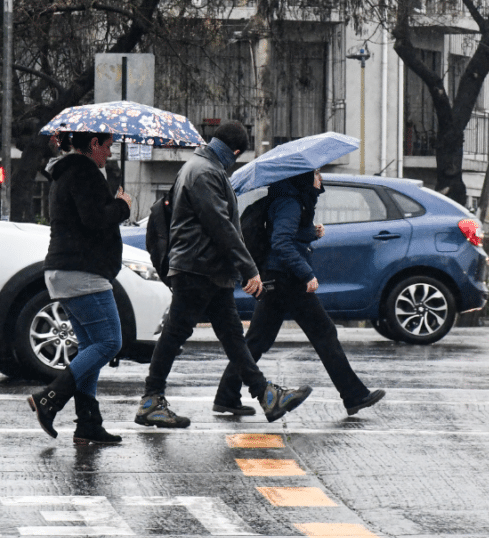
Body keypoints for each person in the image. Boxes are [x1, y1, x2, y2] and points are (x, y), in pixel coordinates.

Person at [136, 121, 312, 427]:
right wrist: (249, 269)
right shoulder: (205, 172)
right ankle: (151, 399)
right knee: (176, 334)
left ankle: (265, 394)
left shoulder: (203, 167)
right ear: (235, 151)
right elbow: (220, 225)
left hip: (208, 269)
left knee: (232, 337)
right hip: (197, 268)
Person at [213, 169, 385, 416]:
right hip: (287, 280)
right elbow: (281, 242)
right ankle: (354, 395)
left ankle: (226, 396)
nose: (320, 178)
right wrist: (306, 274)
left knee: (257, 340)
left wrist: (310, 232)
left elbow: (284, 234)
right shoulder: (291, 202)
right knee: (324, 333)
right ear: (303, 178)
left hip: (278, 278)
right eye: (316, 174)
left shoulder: (292, 200)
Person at [27, 131, 131, 445]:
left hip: (65, 269)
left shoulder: (64, 172)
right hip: (83, 270)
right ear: (94, 144)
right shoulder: (83, 172)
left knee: (90, 347)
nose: (110, 153)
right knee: (110, 342)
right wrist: (122, 206)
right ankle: (50, 398)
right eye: (108, 146)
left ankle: (88, 423)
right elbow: (94, 219)